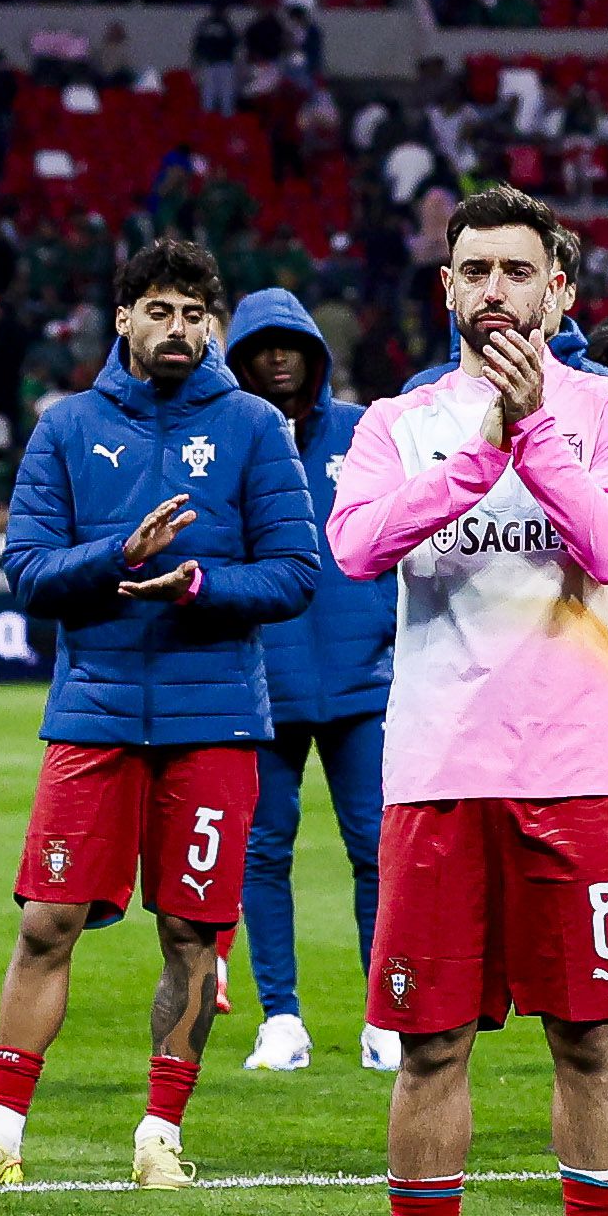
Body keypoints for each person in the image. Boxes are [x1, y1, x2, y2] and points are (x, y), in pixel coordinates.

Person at [324, 186, 608, 1216]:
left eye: (518, 270)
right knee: (431, 1043)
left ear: (561, 290)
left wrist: (530, 432)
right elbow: (358, 547)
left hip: (574, 771)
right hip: (436, 770)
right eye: (473, 269)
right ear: (446, 289)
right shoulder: (396, 421)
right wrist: (486, 444)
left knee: (589, 1035)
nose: (494, 290)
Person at [0, 235, 319, 1191]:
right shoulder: (66, 428)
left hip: (215, 721)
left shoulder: (256, 428)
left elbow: (296, 573)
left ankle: (160, 1137)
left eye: (197, 314)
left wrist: (195, 584)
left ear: (216, 326)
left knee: (193, 934)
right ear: (123, 319)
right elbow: (25, 569)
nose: (180, 328)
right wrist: (118, 556)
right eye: (161, 310)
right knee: (46, 922)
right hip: (95, 715)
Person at [226, 286, 395, 1078]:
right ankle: (281, 1018)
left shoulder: (364, 432)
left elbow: (404, 531)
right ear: (241, 360)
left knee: (378, 850)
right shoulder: (225, 440)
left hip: (362, 681)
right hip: (264, 681)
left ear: (316, 356)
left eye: (291, 345)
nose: (280, 359)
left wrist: (387, 623)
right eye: (262, 348)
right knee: (264, 852)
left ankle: (384, 1017)